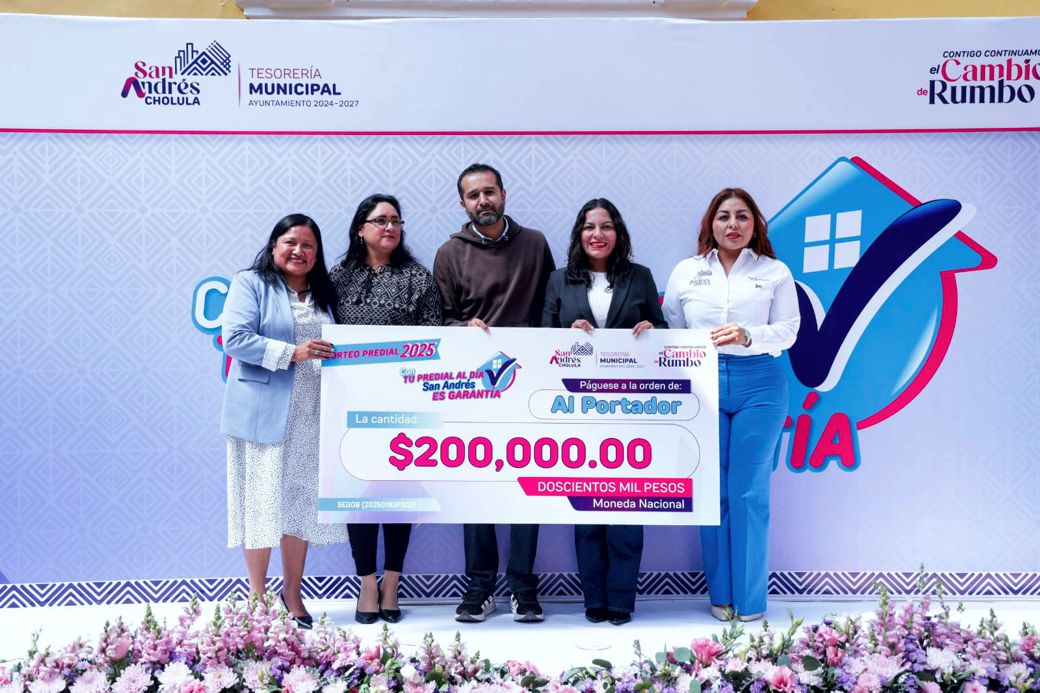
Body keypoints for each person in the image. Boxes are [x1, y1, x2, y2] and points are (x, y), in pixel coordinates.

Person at [661, 188, 799, 622]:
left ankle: (751, 601)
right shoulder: (686, 271)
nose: (733, 225)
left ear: (755, 225)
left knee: (749, 492)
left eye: (742, 216)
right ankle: (721, 596)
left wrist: (748, 334)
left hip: (760, 383)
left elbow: (790, 329)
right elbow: (672, 324)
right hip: (701, 384)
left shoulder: (774, 271)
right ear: (711, 224)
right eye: (724, 216)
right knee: (712, 493)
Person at [433, 163, 555, 623]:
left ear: (503, 194)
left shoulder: (535, 244)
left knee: (530, 486)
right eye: (473, 195)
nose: (482, 200)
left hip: (532, 384)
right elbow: (440, 320)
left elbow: (551, 307)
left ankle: (523, 587)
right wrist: (461, 328)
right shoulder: (449, 253)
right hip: (473, 387)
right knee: (478, 488)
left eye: (489, 192)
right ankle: (480, 587)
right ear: (462, 203)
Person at [541, 198, 667, 626]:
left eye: (606, 226)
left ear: (618, 233)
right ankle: (594, 599)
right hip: (578, 409)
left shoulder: (640, 276)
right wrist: (567, 332)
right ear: (579, 234)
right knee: (588, 509)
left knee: (628, 508)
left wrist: (651, 330)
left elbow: (664, 331)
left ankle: (621, 601)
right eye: (589, 227)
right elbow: (542, 339)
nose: (598, 234)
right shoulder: (559, 280)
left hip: (631, 408)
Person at [220, 213, 340, 630]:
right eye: (291, 242)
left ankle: (293, 594)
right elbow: (235, 338)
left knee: (299, 506)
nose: (298, 251)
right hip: (262, 413)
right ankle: (257, 599)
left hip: (312, 414)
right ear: (274, 247)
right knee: (261, 504)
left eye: (308, 245)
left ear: (317, 254)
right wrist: (294, 352)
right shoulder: (251, 283)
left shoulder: (325, 292)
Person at [329, 194, 442, 624]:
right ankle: (366, 582)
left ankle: (392, 581)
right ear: (360, 229)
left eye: (396, 220)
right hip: (350, 404)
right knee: (356, 490)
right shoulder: (337, 277)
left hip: (403, 403)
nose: (390, 227)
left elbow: (434, 342)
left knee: (397, 493)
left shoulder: (418, 278)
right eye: (380, 220)